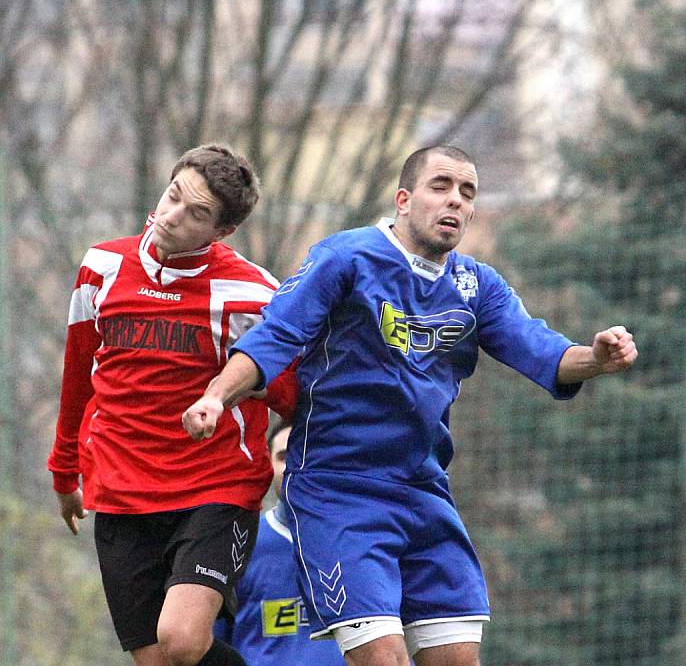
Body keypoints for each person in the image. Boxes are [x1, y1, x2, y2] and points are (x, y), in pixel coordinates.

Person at [181, 145, 638, 666]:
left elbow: (545, 353)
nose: (456, 201)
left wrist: (596, 358)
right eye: (441, 185)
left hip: (423, 491)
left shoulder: (476, 286)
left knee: (457, 658)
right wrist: (217, 395)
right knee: (384, 659)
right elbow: (276, 334)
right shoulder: (345, 258)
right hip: (339, 491)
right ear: (404, 198)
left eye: (468, 193)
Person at [48, 144, 297, 666]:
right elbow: (78, 377)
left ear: (221, 231)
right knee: (159, 659)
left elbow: (292, 395)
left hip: (215, 488)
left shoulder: (251, 295)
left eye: (197, 213)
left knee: (182, 640)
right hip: (120, 489)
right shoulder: (101, 268)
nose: (172, 216)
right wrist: (64, 470)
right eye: (173, 196)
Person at [213, 419, 346, 665]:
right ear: (267, 465)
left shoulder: (368, 539)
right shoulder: (238, 544)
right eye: (284, 457)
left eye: (304, 454)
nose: (293, 466)